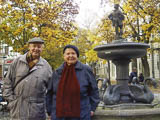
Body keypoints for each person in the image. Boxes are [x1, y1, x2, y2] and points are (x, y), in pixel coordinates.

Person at [2, 37, 52, 120]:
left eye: (39, 47)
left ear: (42, 48)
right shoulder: (17, 62)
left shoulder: (46, 66)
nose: (36, 49)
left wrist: (48, 110)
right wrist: (12, 101)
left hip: (36, 112)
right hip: (17, 110)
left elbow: (51, 90)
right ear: (29, 47)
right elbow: (7, 82)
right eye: (34, 46)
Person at [46, 45, 100, 120]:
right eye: (68, 54)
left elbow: (94, 90)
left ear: (77, 55)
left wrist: (92, 108)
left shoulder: (86, 70)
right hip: (59, 115)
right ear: (64, 56)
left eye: (73, 53)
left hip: (81, 113)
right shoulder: (57, 72)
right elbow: (50, 93)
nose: (70, 56)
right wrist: (49, 112)